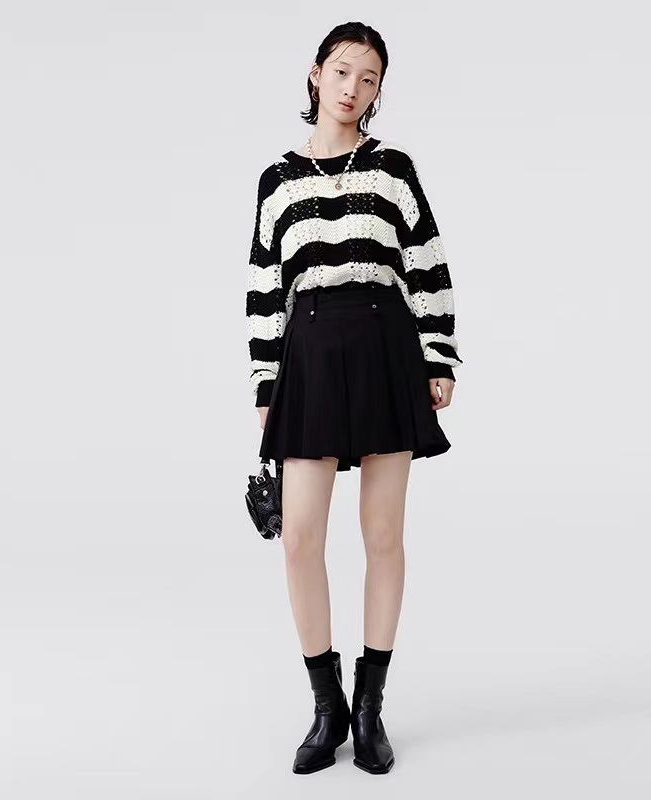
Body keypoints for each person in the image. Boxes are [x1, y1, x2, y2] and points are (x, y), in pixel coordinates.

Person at [245, 21, 463, 775]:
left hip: (385, 347)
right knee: (300, 537)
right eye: (342, 71)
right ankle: (326, 704)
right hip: (307, 354)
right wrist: (266, 383)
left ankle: (369, 707)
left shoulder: (394, 168)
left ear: (377, 91)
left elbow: (428, 263)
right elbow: (264, 287)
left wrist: (438, 356)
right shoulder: (277, 180)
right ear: (315, 74)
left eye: (368, 78)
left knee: (382, 534)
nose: (353, 88)